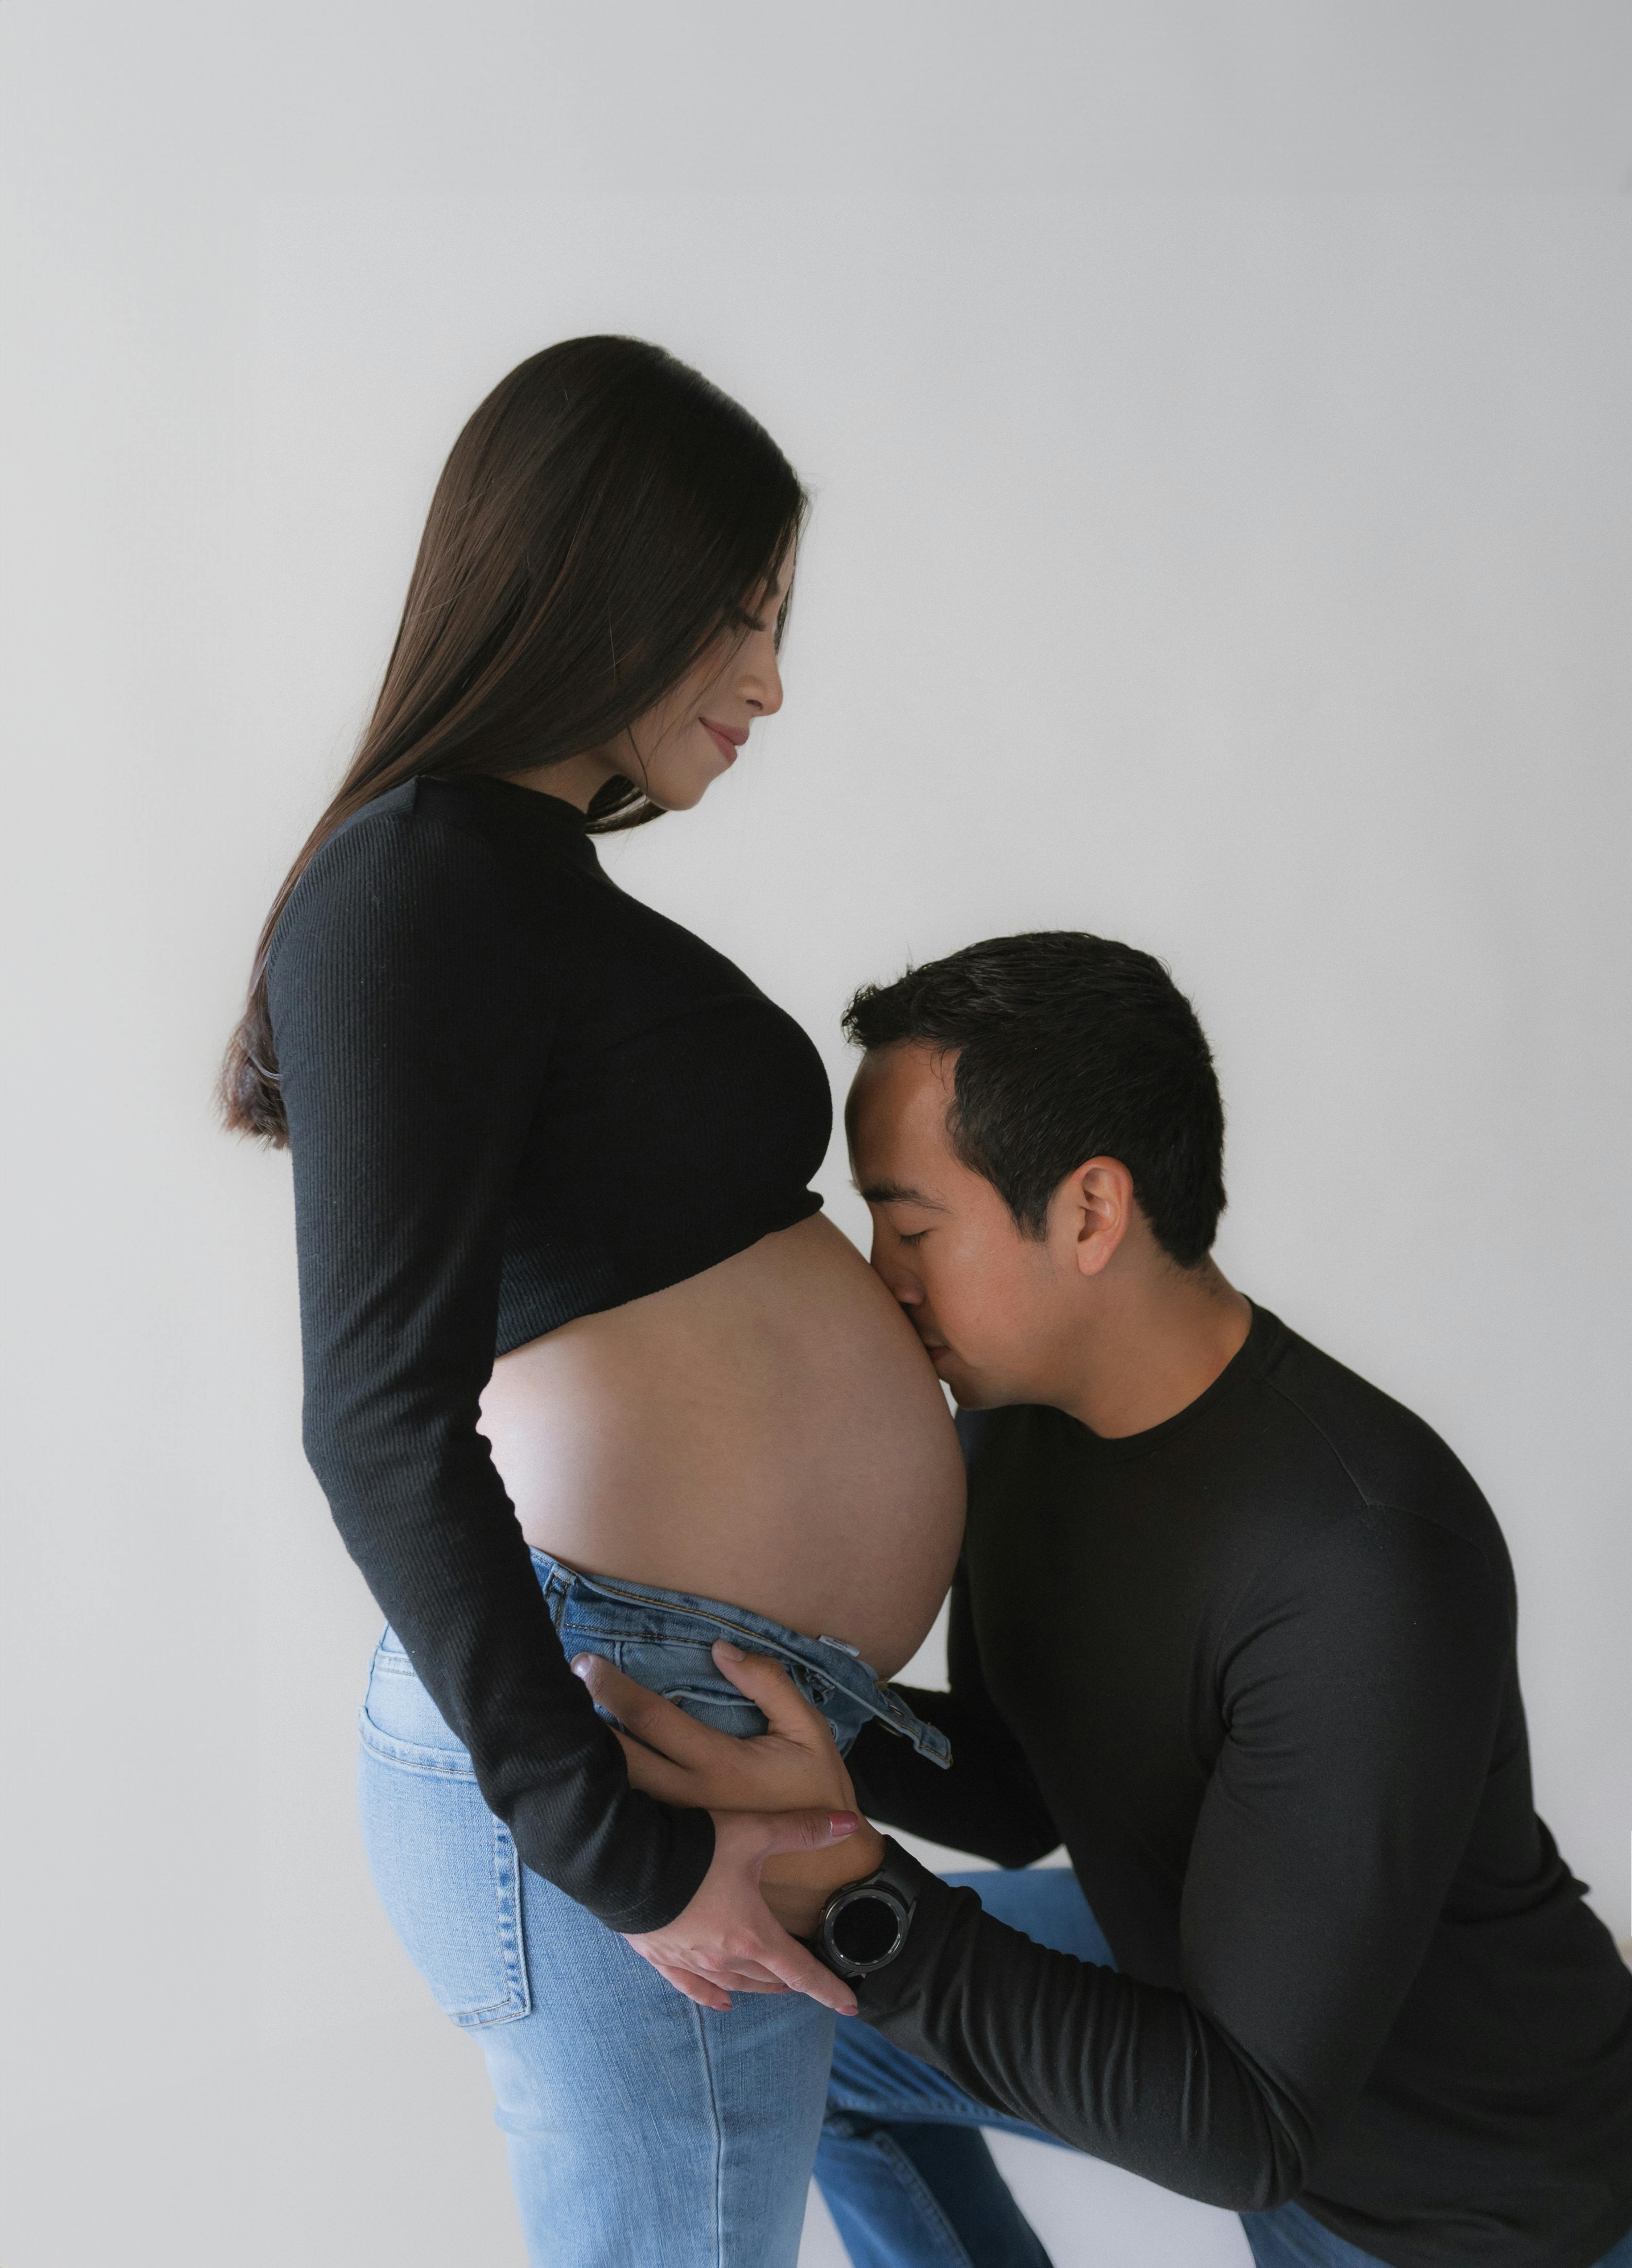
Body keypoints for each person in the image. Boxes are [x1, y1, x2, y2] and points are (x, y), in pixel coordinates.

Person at [218, 336, 967, 2268]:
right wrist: (617, 1851)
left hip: (702, 1721)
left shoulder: (507, 885)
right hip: (613, 1748)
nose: (771, 683)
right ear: (588, 580)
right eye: (735, 619)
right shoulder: (413, 888)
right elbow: (374, 1417)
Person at [579, 930, 1632, 2268]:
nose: (876, 1274)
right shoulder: (1012, 1434)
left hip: (1466, 2209)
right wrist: (786, 1726)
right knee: (791, 2017)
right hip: (1217, 2017)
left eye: (909, 1224)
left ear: (1088, 1211)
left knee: (840, 1962)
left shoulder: (1363, 1557)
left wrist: (867, 1904)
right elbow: (1028, 1793)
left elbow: (1245, 2127)